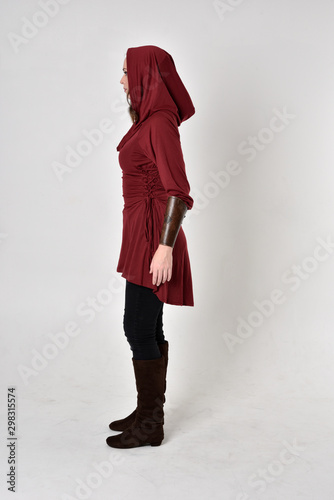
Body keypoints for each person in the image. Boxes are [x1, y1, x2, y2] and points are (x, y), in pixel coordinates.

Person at [106, 45, 195, 449]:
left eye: (126, 71)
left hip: (153, 235)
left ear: (145, 76)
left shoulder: (160, 123)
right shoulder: (147, 121)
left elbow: (179, 190)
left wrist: (165, 247)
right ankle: (147, 413)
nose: (121, 79)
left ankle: (151, 423)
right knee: (147, 324)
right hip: (140, 230)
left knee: (137, 325)